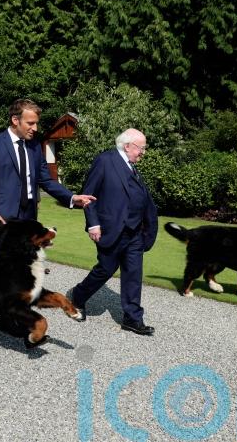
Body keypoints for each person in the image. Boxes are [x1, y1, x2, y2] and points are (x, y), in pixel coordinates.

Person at [67, 128, 158, 336]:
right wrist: (93, 224)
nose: (143, 152)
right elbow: (88, 194)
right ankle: (78, 296)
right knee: (105, 269)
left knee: (133, 274)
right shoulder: (105, 161)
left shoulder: (133, 168)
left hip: (135, 233)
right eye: (141, 148)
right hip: (111, 230)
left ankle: (132, 318)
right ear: (128, 146)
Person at [0, 98, 95, 232]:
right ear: (15, 120)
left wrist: (72, 197)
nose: (35, 128)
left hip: (30, 218)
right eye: (30, 123)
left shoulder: (35, 146)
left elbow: (46, 180)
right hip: (3, 219)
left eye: (36, 123)